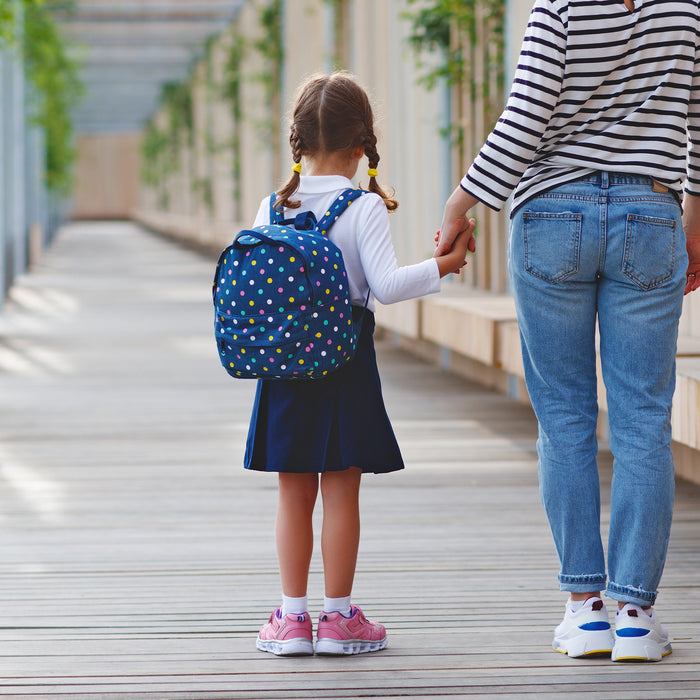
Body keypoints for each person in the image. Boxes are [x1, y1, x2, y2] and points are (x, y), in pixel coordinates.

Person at [437, 0, 700, 662]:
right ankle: (635, 615)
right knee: (642, 418)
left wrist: (462, 199)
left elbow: (526, 118)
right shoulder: (686, 10)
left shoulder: (559, 7)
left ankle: (585, 612)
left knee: (564, 419)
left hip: (552, 213)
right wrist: (692, 214)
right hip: (651, 211)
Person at [247, 72, 476, 657]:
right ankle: (341, 617)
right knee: (341, 492)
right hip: (345, 362)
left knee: (292, 492)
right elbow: (388, 286)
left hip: (284, 368)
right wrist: (444, 265)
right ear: (360, 147)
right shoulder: (362, 207)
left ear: (296, 142)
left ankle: (292, 620)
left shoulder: (270, 206)